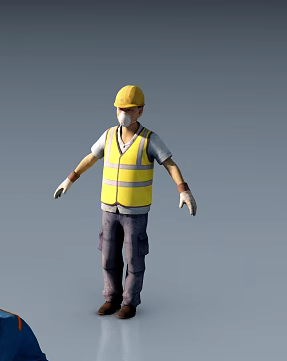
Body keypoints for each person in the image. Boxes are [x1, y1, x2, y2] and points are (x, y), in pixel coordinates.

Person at [53, 85, 198, 319]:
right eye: (121, 108)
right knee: (108, 255)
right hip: (109, 209)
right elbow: (91, 157)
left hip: (135, 211)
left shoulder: (149, 139)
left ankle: (130, 302)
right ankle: (112, 297)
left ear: (140, 111)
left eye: (130, 109)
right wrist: (70, 179)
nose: (124, 113)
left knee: (134, 257)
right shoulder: (109, 135)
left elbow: (169, 163)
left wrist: (183, 190)